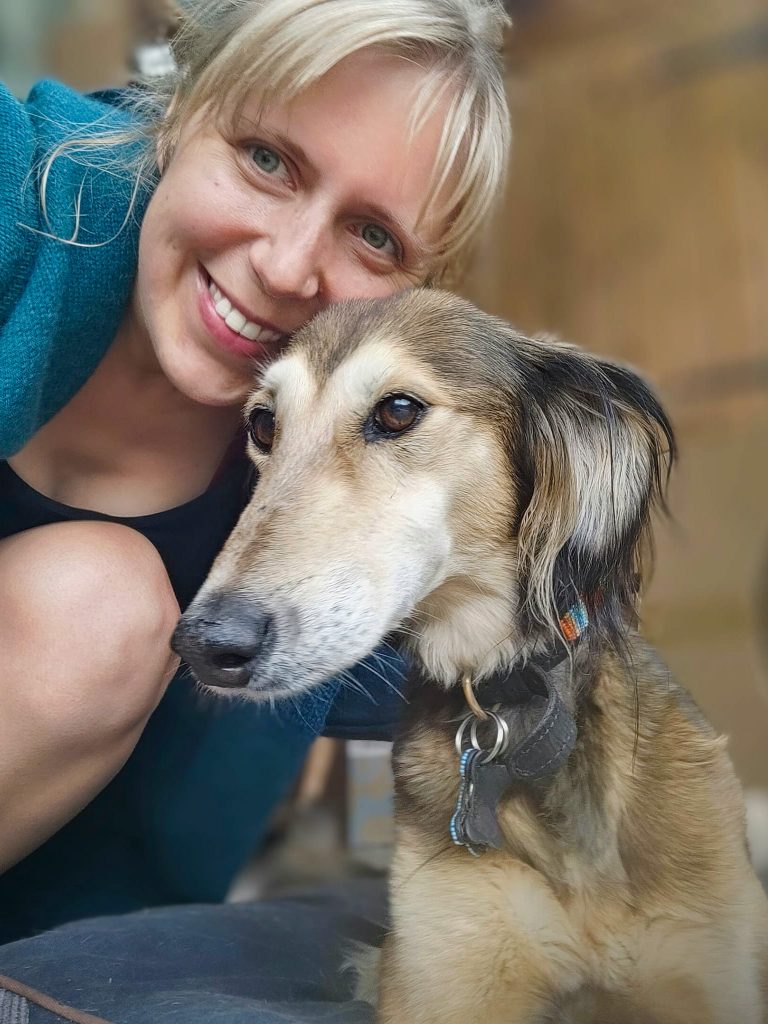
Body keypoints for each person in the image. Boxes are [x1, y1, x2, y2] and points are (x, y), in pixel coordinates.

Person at [0, 0, 510, 1016]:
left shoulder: (381, 491)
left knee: (99, 609)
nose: (284, 268)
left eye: (373, 236)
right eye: (268, 160)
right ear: (183, 108)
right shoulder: (28, 189)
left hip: (48, 966)